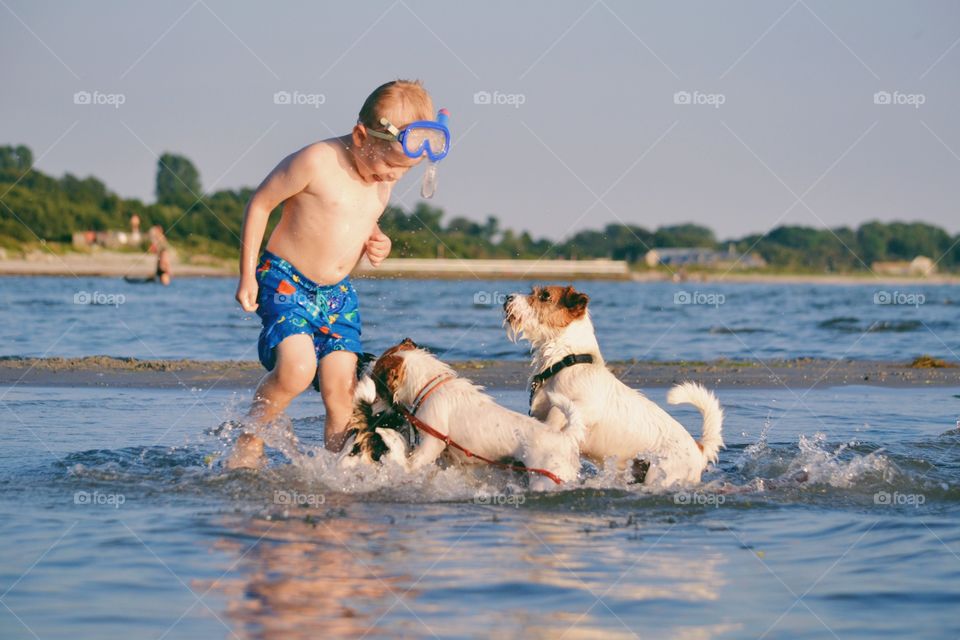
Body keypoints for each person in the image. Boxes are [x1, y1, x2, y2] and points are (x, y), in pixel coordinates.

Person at [226, 79, 449, 469]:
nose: (392, 179)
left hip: (337, 295)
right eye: (389, 167)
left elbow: (356, 221)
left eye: (403, 172)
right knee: (297, 370)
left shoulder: (380, 179)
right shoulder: (316, 161)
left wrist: (377, 241)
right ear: (362, 135)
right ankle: (250, 435)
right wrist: (246, 275)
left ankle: (337, 469)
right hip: (286, 281)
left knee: (343, 390)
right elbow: (260, 205)